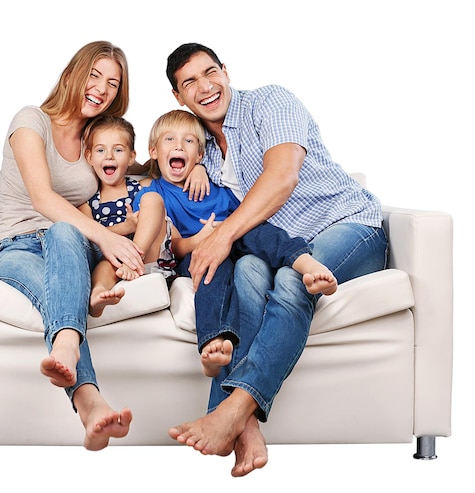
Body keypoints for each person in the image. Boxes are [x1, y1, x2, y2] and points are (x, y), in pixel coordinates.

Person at [164, 43, 389, 477]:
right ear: (178, 97)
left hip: (348, 226)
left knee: (290, 280)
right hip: (281, 247)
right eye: (190, 82)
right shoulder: (202, 151)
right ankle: (247, 431)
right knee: (247, 269)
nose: (205, 87)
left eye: (211, 72)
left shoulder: (270, 102)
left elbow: (282, 175)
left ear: (226, 71)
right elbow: (155, 167)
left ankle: (233, 410)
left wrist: (222, 236)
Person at [0, 41, 145, 451]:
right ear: (72, 73)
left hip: (71, 246)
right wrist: (108, 236)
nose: (102, 89)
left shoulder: (97, 137)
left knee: (64, 235)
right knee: (60, 273)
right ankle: (89, 399)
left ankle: (68, 354)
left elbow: (135, 165)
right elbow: (43, 199)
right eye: (95, 75)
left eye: (113, 83)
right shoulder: (30, 121)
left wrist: (191, 162)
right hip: (17, 246)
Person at [133, 109, 337, 378]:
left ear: (200, 156)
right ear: (154, 151)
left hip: (232, 239)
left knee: (257, 231)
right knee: (210, 274)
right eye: (169, 139)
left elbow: (247, 217)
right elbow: (170, 248)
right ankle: (212, 344)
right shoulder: (153, 193)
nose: (179, 145)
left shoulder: (218, 188)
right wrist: (199, 240)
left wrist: (223, 230)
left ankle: (305, 262)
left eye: (189, 141)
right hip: (193, 255)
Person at [78, 115, 174, 317]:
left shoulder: (142, 187)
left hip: (146, 255)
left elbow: (170, 172)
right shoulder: (88, 203)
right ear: (89, 157)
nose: (109, 156)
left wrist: (198, 169)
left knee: (153, 199)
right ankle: (99, 294)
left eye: (118, 150)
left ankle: (134, 260)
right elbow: (89, 238)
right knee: (106, 265)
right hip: (114, 260)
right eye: (100, 150)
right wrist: (126, 227)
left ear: (131, 157)